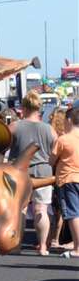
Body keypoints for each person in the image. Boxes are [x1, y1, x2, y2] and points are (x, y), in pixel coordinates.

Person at [8, 91, 57, 254]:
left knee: (20, 209)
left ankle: (16, 245)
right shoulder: (49, 129)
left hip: (20, 171)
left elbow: (1, 145)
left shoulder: (15, 126)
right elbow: (56, 149)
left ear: (24, 107)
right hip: (44, 170)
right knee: (41, 209)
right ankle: (43, 246)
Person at [52, 106, 79, 259]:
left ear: (69, 120)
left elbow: (52, 160)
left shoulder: (63, 139)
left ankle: (77, 247)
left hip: (68, 179)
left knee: (74, 214)